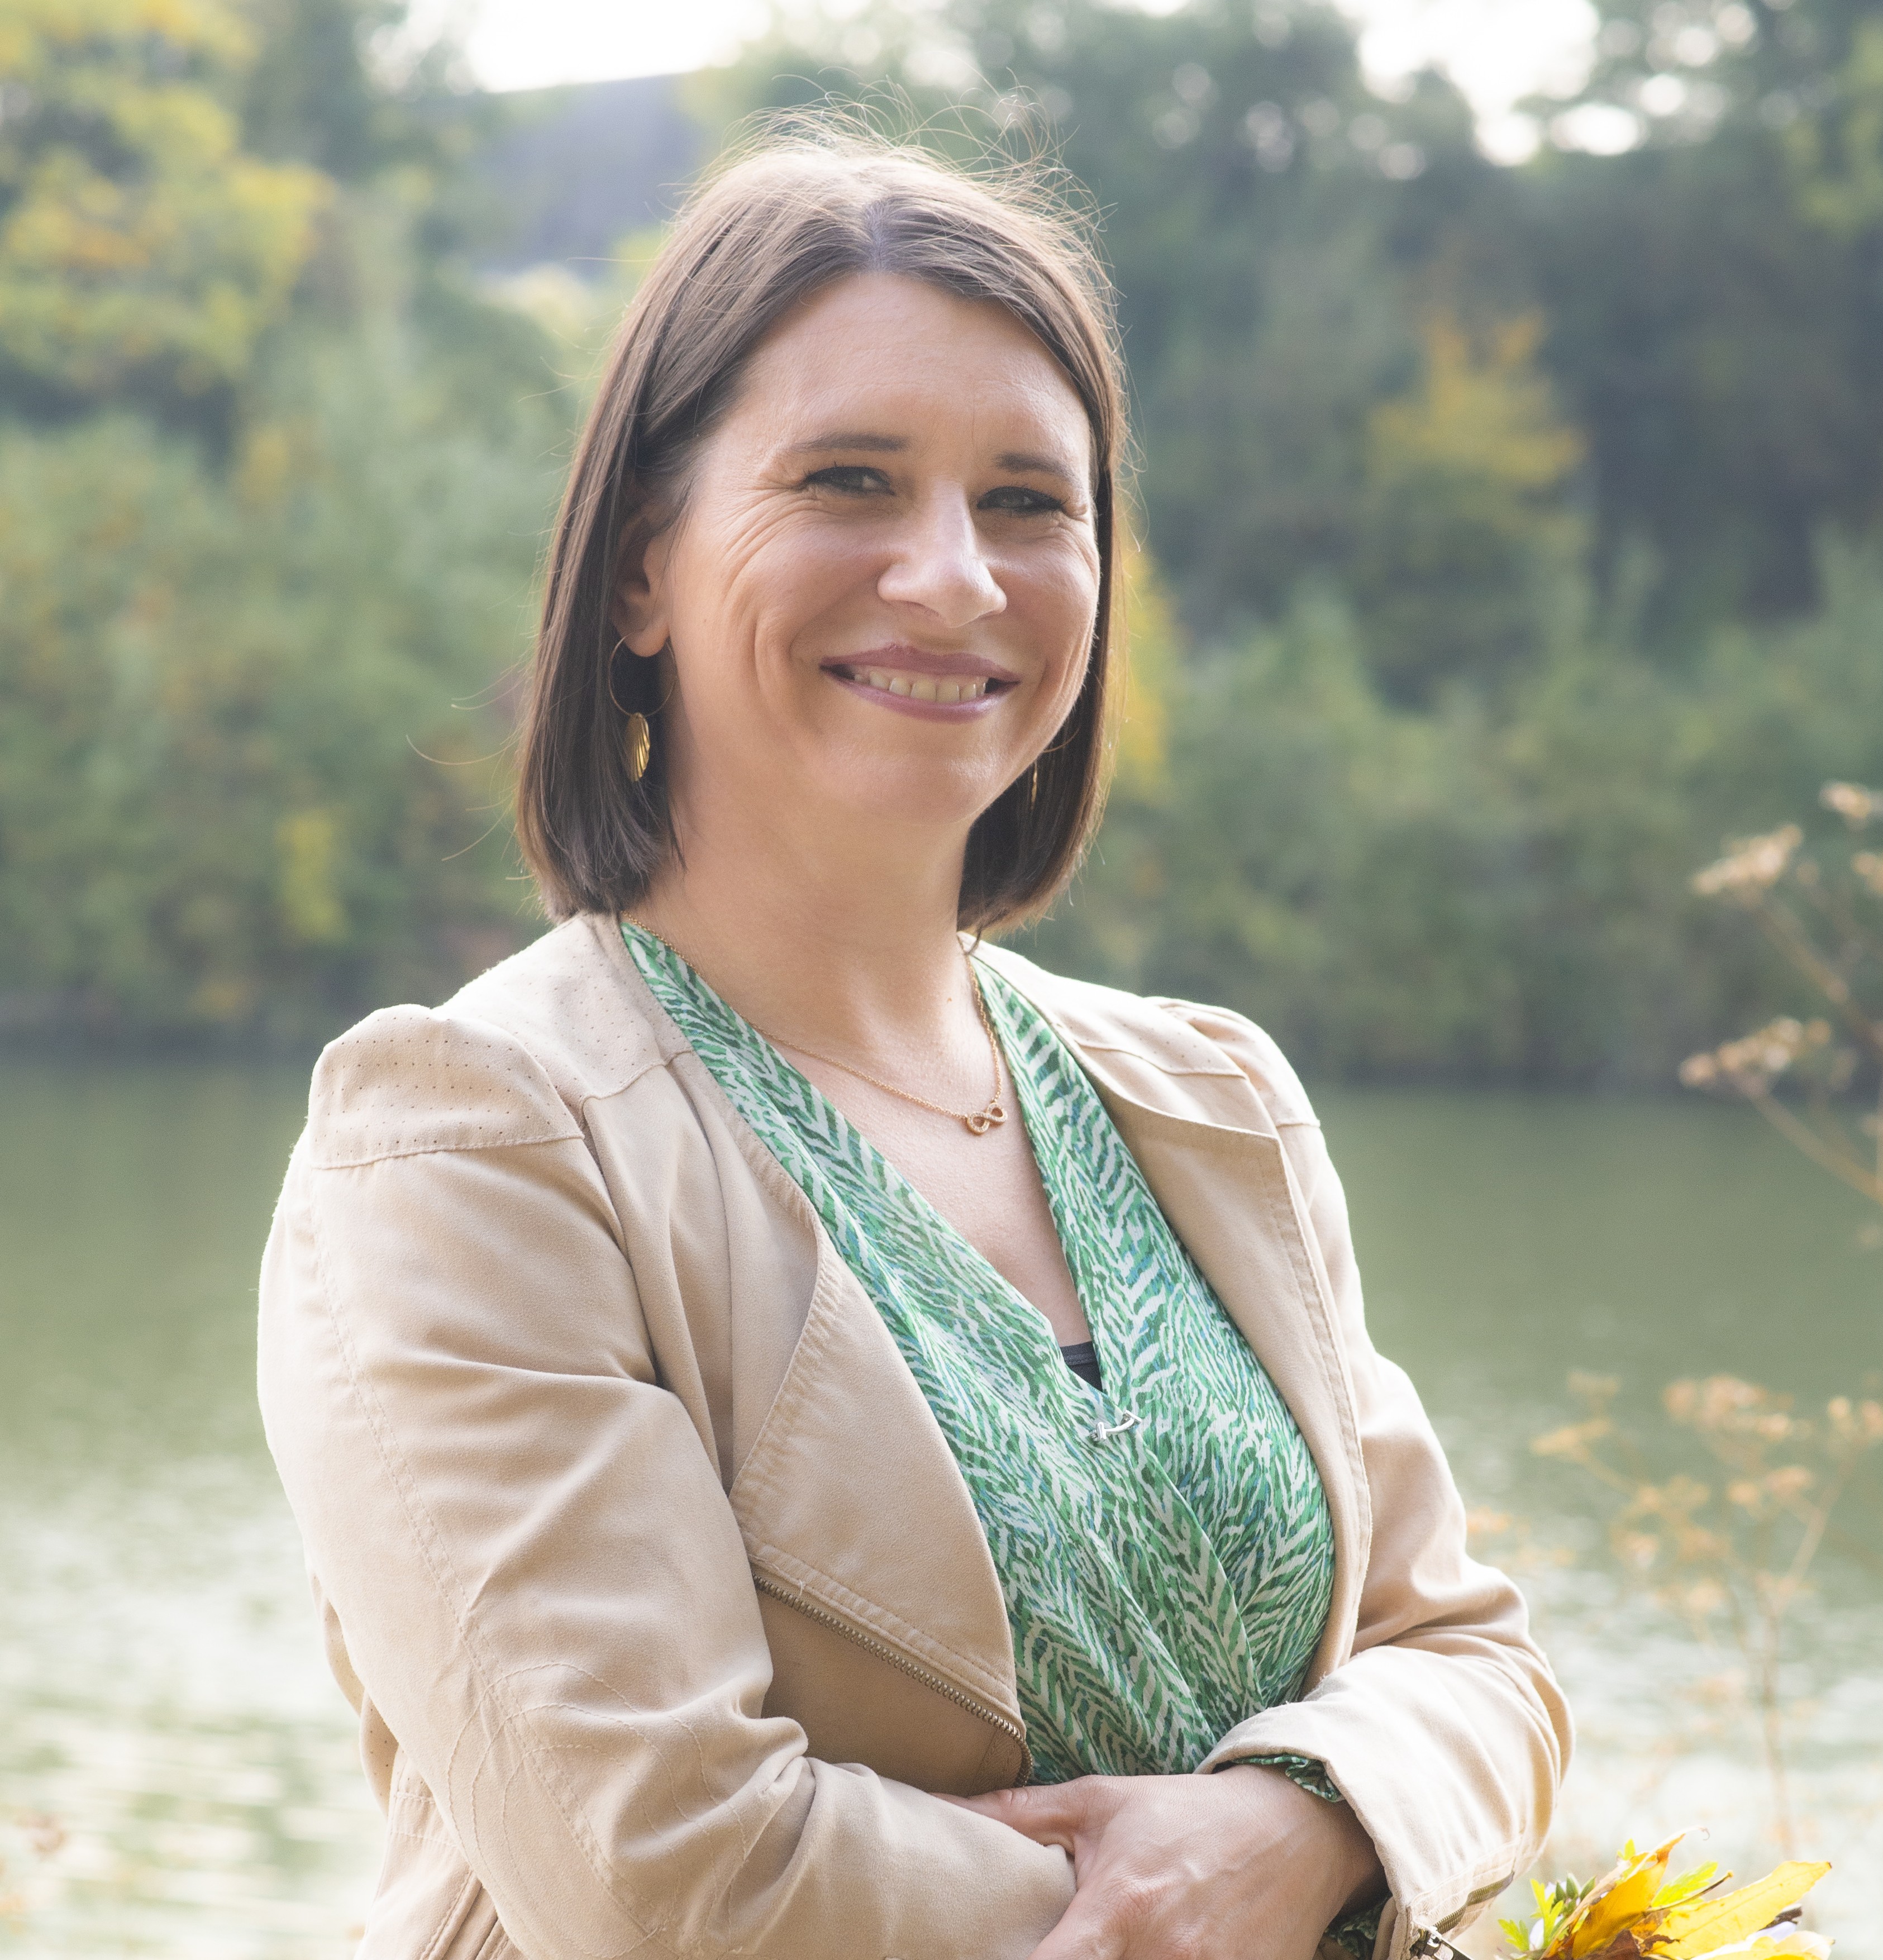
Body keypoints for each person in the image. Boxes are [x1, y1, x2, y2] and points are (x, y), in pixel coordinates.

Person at [259, 132, 1570, 1960]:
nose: (952, 577)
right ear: (642, 571)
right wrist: (1198, 1907)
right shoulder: (472, 1143)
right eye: (851, 480)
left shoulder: (1205, 1100)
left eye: (1032, 501)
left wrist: (1305, 1819)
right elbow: (671, 1877)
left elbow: (1471, 1663)